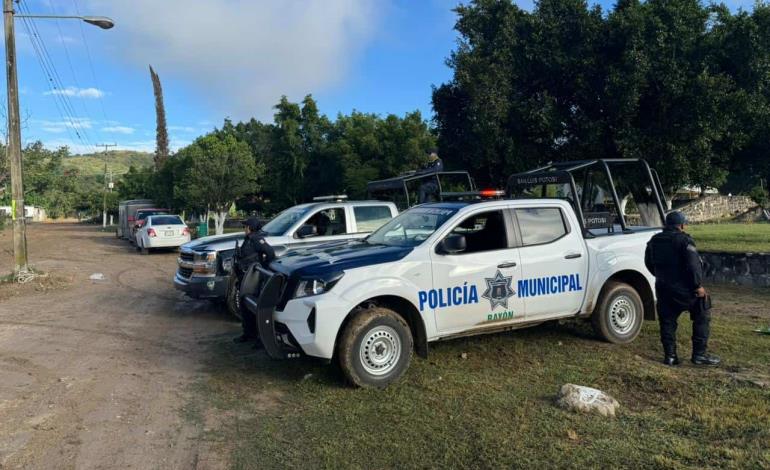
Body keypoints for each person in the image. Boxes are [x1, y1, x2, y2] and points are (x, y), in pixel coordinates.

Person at [645, 211, 720, 366]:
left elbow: (649, 263)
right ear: (682, 225)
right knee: (702, 311)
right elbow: (693, 266)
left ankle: (670, 356)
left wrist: (662, 277)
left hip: (663, 287)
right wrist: (697, 286)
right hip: (685, 289)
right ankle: (699, 355)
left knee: (667, 321)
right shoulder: (684, 241)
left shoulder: (654, 240)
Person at [233, 217, 276, 344]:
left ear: (251, 228)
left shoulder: (257, 239)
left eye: (245, 226)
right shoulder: (249, 239)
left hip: (253, 279)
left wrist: (262, 267)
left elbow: (270, 253)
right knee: (244, 307)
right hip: (245, 277)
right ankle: (248, 334)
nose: (244, 228)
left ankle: (257, 337)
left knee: (252, 308)